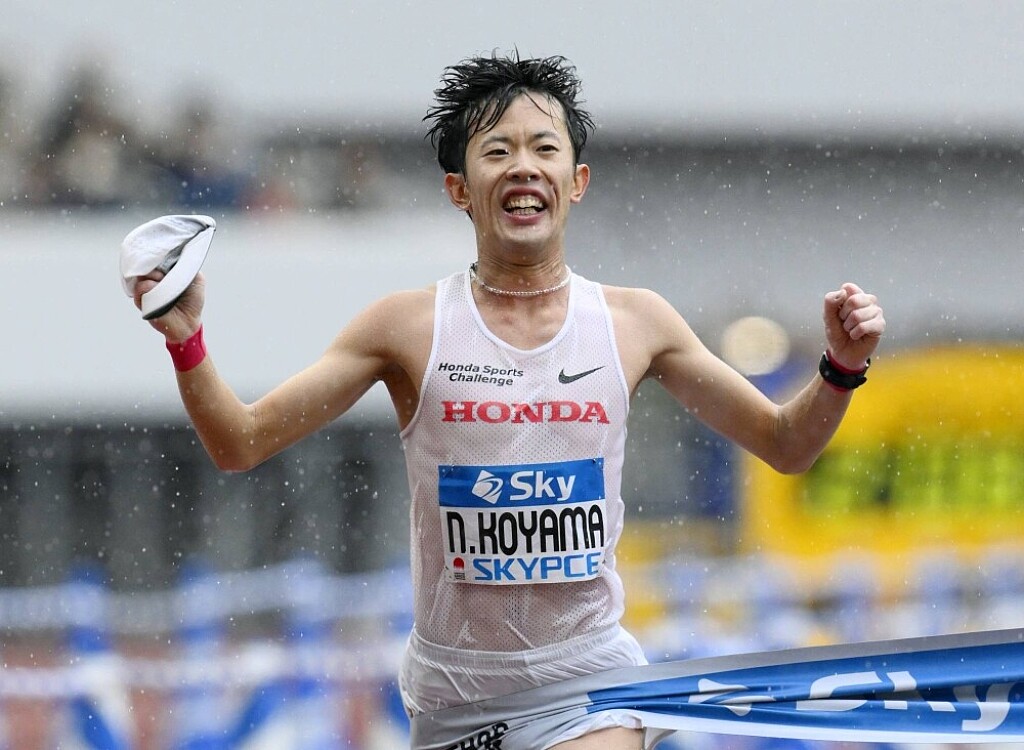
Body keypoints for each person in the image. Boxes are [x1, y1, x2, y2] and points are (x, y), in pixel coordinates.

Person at [130, 52, 885, 750]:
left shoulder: (636, 322)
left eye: (543, 148)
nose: (523, 165)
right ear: (460, 189)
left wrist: (841, 367)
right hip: (454, 698)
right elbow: (241, 442)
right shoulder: (406, 327)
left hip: (590, 682)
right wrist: (187, 342)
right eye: (497, 151)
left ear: (575, 181)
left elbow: (786, 444)